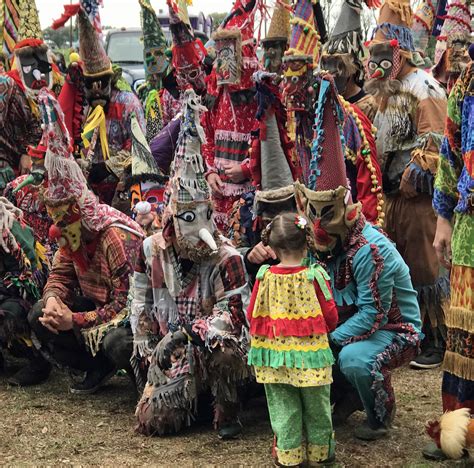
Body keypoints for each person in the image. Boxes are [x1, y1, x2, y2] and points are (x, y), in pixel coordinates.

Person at [295, 74, 421, 441]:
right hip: (350, 323)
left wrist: (327, 340)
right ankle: (344, 394)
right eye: (312, 215)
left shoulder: (369, 249)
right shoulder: (321, 241)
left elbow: (373, 314)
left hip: (393, 328)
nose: (317, 227)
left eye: (325, 215)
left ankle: (379, 415)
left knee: (353, 358)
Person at [132, 89, 250, 439]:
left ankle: (228, 406)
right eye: (188, 217)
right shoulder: (151, 249)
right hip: (170, 344)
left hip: (208, 341)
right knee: (155, 422)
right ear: (170, 219)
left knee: (226, 355)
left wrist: (187, 333)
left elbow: (236, 315)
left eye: (205, 215)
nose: (199, 228)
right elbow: (139, 299)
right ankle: (179, 394)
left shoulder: (227, 257)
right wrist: (148, 342)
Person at [12, 90, 145, 391]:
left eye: (64, 220)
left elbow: (125, 305)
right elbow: (59, 273)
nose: (58, 229)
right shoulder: (71, 234)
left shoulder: (113, 236)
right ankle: (93, 368)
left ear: (80, 214)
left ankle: (130, 371)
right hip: (94, 306)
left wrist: (73, 319)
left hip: (129, 315)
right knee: (39, 315)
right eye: (56, 221)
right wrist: (53, 303)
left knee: (118, 342)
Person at [366, 0, 448, 369]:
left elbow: (435, 141)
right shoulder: (388, 90)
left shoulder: (424, 87)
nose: (377, 64)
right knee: (402, 267)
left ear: (398, 53)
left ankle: (438, 338)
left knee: (425, 265)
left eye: (384, 55)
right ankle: (410, 333)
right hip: (393, 197)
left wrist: (415, 174)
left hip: (419, 198)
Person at [247, 212, 338, 466]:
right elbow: (330, 314)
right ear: (307, 242)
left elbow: (252, 313)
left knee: (283, 405)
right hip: (312, 357)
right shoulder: (315, 275)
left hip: (275, 357)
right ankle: (321, 453)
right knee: (317, 404)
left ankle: (289, 455)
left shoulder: (264, 276)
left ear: (273, 248)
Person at [423, 51, 474, 461]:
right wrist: (443, 216)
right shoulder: (468, 80)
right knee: (466, 333)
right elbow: (451, 150)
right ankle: (460, 425)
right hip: (470, 229)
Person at [53, 6, 146, 207]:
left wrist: (108, 167)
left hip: (122, 190)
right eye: (90, 85)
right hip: (87, 190)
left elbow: (139, 146)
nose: (96, 91)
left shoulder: (127, 102)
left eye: (102, 83)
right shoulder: (79, 103)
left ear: (111, 80)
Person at [202, 0, 260, 232]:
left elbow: (268, 140)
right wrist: (210, 172)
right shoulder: (214, 89)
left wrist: (247, 168)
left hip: (251, 191)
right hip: (218, 192)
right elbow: (206, 133)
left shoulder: (261, 93)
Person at [0, 197, 46, 380]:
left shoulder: (7, 230)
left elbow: (25, 277)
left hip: (24, 292)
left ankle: (38, 360)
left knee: (8, 314)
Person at [320, 0, 379, 122]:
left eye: (337, 68)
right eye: (327, 67)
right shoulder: (329, 102)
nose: (331, 75)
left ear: (351, 70)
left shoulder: (369, 107)